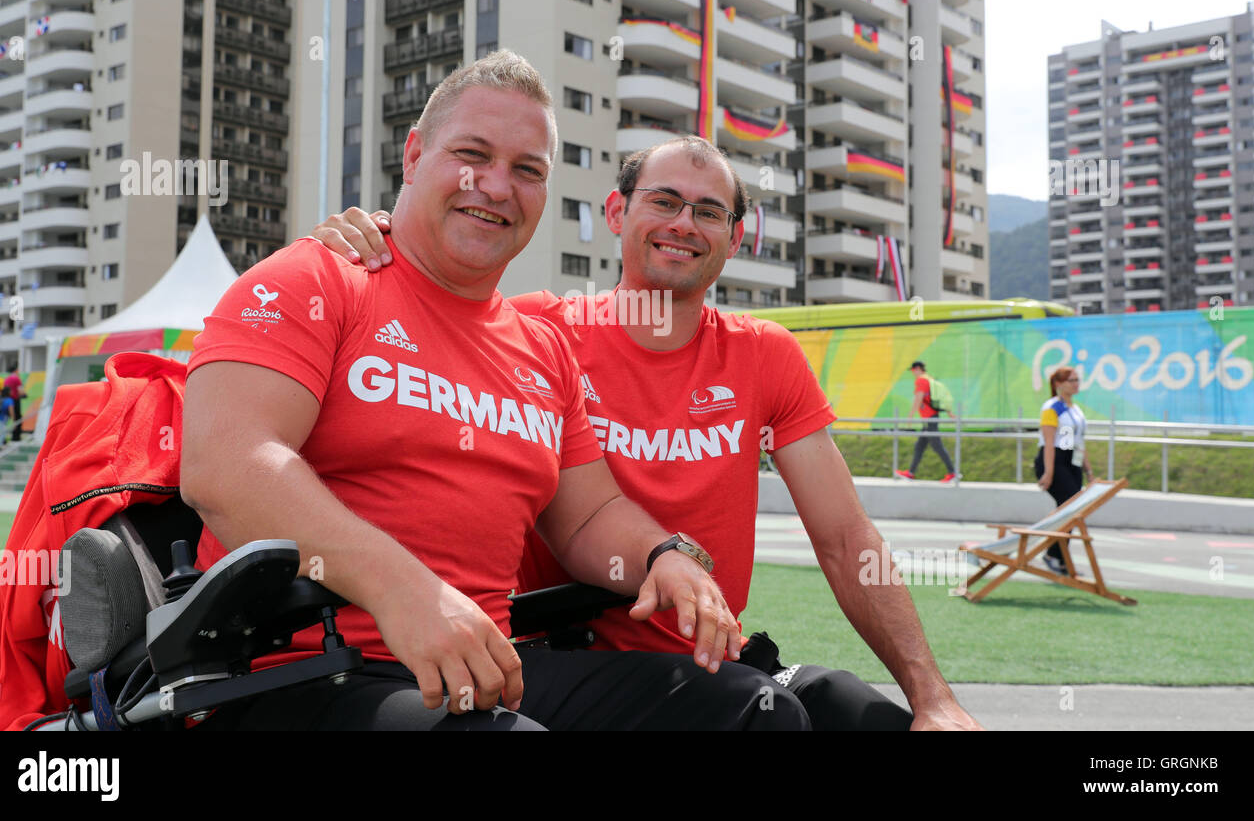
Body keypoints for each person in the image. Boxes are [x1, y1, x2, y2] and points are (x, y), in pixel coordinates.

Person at [181, 52, 807, 731]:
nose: (496, 186)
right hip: (297, 673)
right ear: (415, 154)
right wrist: (406, 593)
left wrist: (664, 556)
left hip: (486, 671)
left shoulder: (541, 347)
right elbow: (225, 465)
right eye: (472, 154)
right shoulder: (321, 278)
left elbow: (589, 518)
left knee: (753, 712)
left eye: (528, 170)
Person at [313, 135, 982, 731]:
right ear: (615, 213)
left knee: (850, 708)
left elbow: (845, 539)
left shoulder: (765, 355)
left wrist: (933, 698)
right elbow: (421, 302)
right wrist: (379, 241)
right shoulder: (536, 332)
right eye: (664, 201)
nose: (684, 225)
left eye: (709, 211)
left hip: (715, 661)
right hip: (567, 666)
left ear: (736, 237)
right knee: (762, 710)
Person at [1034, 366, 1093, 576]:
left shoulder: (1075, 410)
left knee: (1072, 510)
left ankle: (1057, 555)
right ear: (1059, 384)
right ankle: (1053, 554)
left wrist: (1088, 470)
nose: (1076, 384)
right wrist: (1049, 472)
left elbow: (1075, 442)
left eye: (1077, 380)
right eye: (1071, 380)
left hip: (1070, 460)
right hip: (1054, 460)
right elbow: (1050, 443)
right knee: (1068, 507)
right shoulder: (1053, 407)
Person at [894, 360, 959, 484]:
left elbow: (919, 398)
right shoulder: (930, 379)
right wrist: (949, 412)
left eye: (913, 370)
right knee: (919, 446)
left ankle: (953, 472)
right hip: (929, 418)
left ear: (917, 368)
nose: (913, 373)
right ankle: (910, 473)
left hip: (929, 419)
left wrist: (910, 416)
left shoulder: (922, 380)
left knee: (937, 446)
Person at [2, 367, 24, 442]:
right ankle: (16, 437)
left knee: (5, 419)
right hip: (14, 400)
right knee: (17, 418)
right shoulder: (16, 379)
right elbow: (20, 391)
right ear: (16, 370)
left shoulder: (6, 379)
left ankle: (2, 438)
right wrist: (23, 395)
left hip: (6, 400)